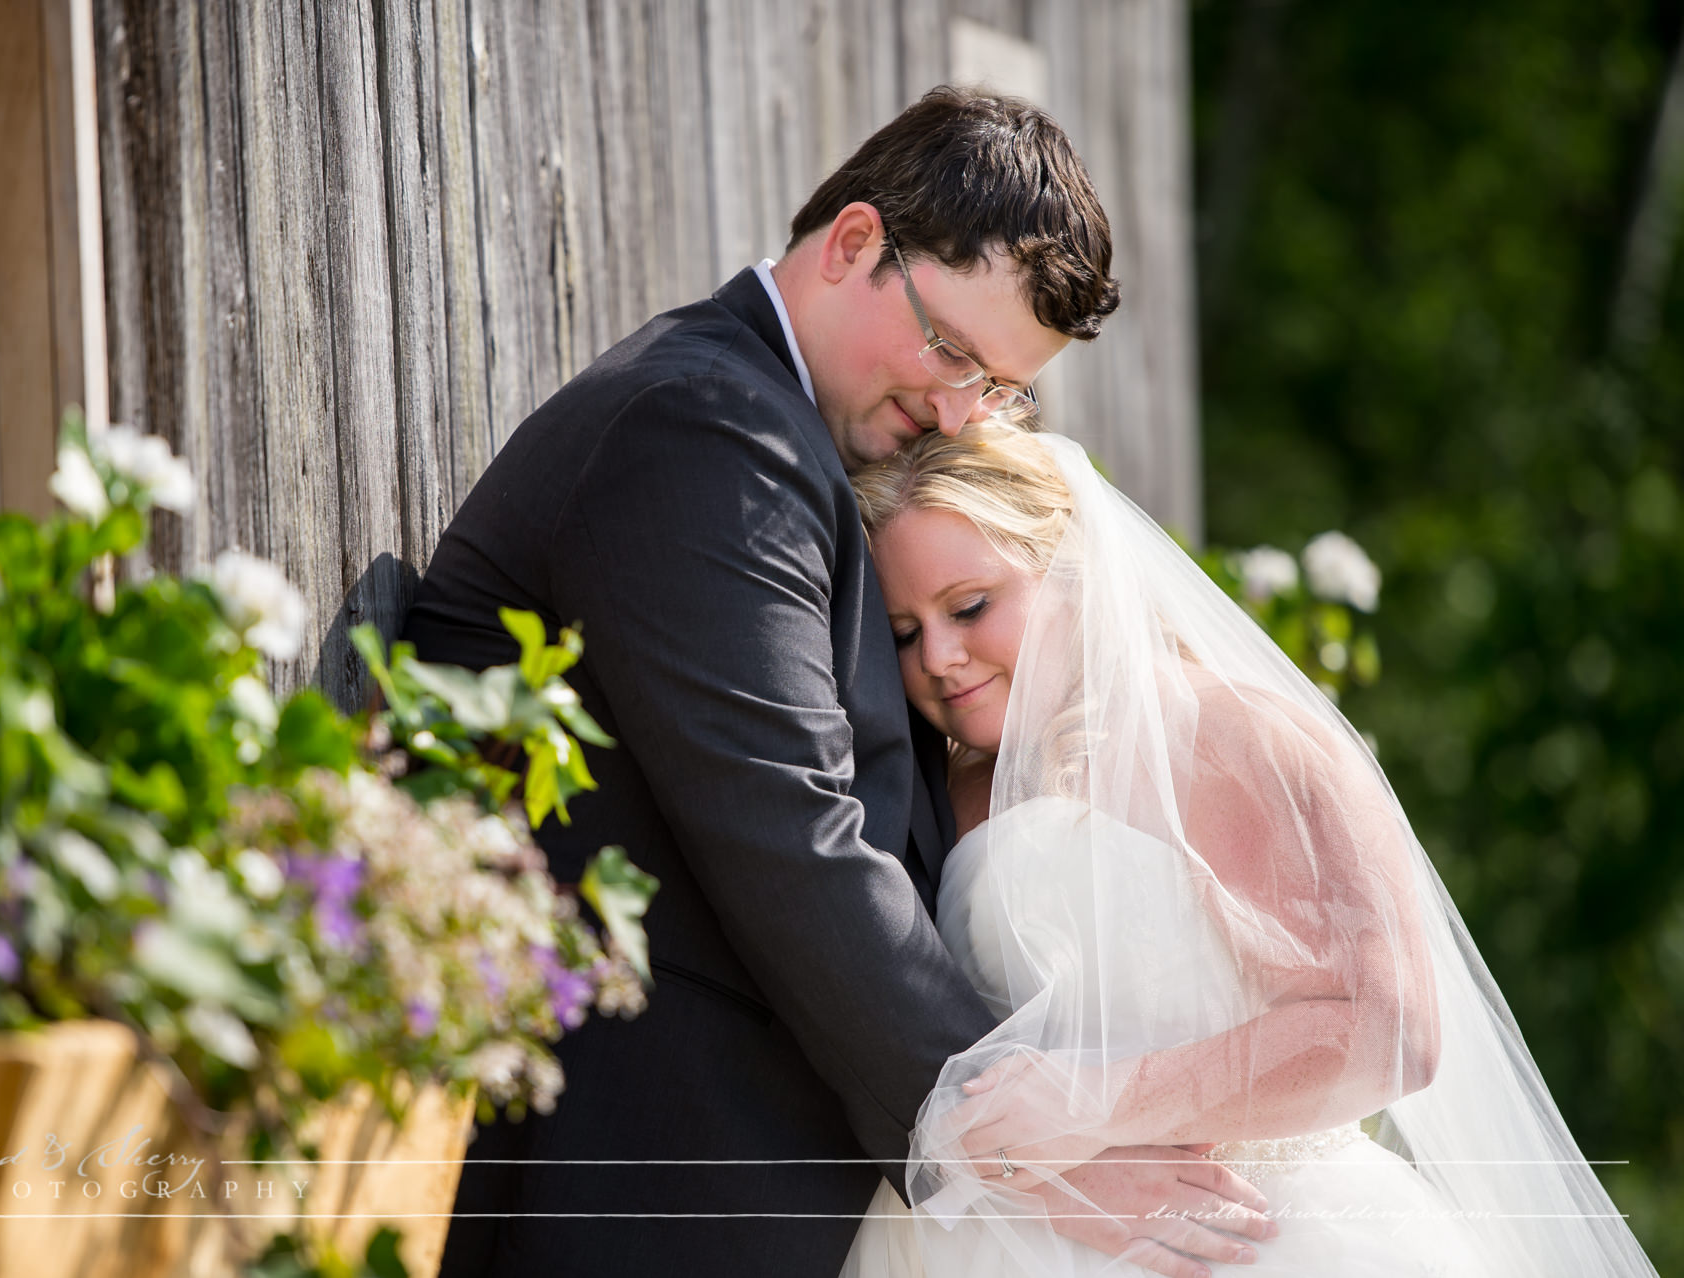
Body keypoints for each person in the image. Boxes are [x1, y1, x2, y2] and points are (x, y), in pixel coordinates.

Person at [405, 88, 1272, 1278]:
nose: (959, 413)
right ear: (855, 243)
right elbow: (788, 832)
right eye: (954, 351)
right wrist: (1037, 1144)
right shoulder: (706, 430)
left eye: (1001, 389)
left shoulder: (800, 441)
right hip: (642, 1172)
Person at [842, 422, 1659, 1277]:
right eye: (903, 632)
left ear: (1073, 573)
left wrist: (1098, 1106)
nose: (938, 657)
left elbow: (1391, 1030)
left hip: (1259, 1241)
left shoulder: (1240, 737)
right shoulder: (940, 792)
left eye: (970, 607)